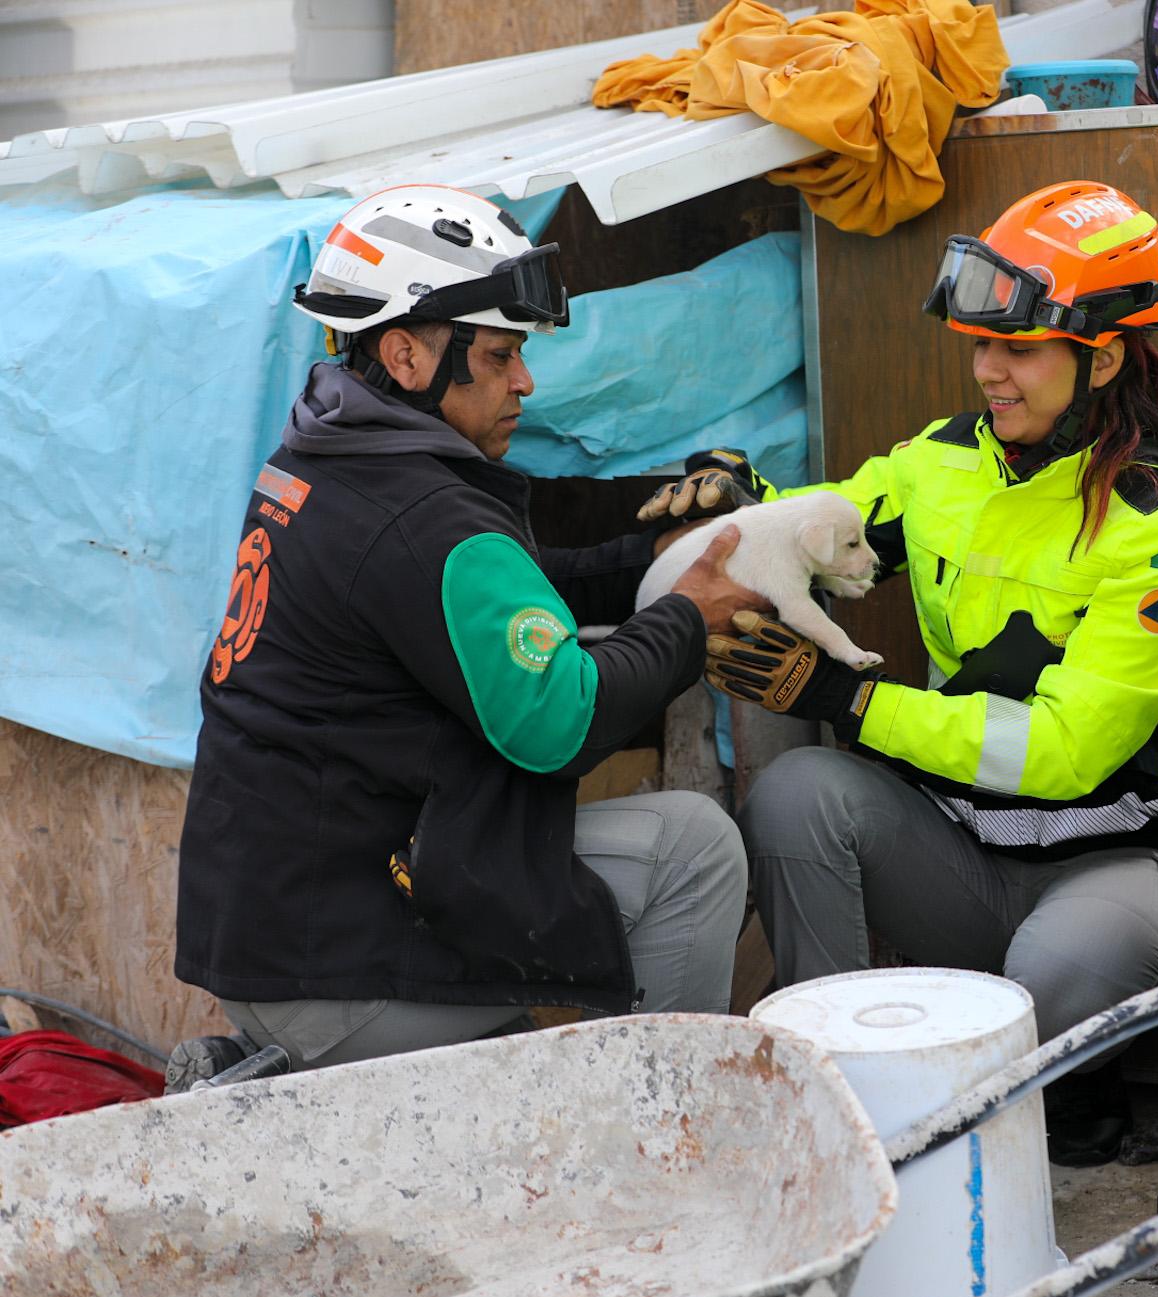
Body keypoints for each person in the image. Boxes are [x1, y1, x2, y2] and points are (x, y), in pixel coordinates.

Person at [664, 181, 1158, 1164]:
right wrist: (738, 502)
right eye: (978, 345)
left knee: (1051, 967)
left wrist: (845, 697)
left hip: (1107, 875)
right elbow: (827, 526)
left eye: (1015, 348)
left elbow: (1060, 755)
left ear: (1101, 355)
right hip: (956, 859)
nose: (985, 372)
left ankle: (1045, 1098)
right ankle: (836, 1110)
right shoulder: (941, 462)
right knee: (798, 793)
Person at [168, 185, 765, 1086]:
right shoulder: (424, 517)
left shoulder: (324, 454)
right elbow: (559, 723)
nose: (524, 381)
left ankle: (280, 1071)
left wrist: (650, 555)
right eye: (499, 354)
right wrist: (687, 618)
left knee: (526, 1038)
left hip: (281, 931)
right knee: (695, 847)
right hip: (341, 966)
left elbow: (495, 596)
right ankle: (666, 1135)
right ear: (407, 353)